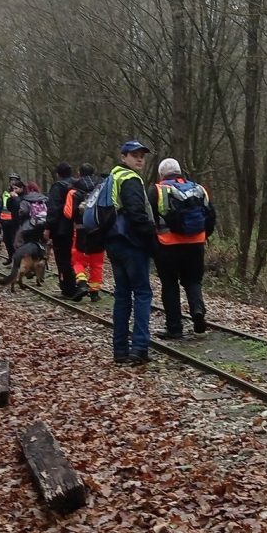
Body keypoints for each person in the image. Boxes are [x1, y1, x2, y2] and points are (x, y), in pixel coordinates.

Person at [104, 141, 157, 365]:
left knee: (122, 295)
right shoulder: (130, 179)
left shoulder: (111, 177)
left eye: (142, 156)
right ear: (123, 156)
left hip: (113, 242)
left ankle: (120, 350)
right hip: (131, 243)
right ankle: (139, 347)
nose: (139, 159)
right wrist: (152, 240)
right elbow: (136, 214)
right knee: (143, 294)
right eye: (134, 155)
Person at [151, 158, 215, 338]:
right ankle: (197, 311)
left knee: (170, 285)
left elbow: (149, 220)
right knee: (193, 281)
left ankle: (174, 328)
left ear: (161, 174)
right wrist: (201, 237)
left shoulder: (157, 190)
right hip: (195, 245)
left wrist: (152, 245)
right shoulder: (199, 189)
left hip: (167, 246)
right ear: (180, 172)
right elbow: (211, 217)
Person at [68, 163, 105, 302]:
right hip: (98, 230)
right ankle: (94, 292)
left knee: (78, 260)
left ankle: (82, 284)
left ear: (79, 173)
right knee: (97, 263)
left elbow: (69, 213)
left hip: (81, 230)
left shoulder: (74, 190)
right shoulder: (101, 188)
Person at [0, 181, 49, 285]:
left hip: (28, 227)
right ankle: (40, 276)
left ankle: (28, 270)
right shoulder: (44, 198)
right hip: (43, 227)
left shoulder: (26, 199)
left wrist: (16, 200)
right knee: (42, 251)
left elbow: (22, 212)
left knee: (21, 246)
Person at [45, 162, 77, 298]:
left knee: (63, 259)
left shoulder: (58, 187)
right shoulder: (78, 185)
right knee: (77, 258)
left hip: (62, 229)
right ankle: (81, 285)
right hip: (79, 227)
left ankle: (68, 289)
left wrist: (48, 228)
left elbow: (53, 210)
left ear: (58, 174)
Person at [0, 173, 22, 263]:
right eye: (11, 180)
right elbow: (2, 206)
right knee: (6, 240)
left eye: (14, 180)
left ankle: (17, 260)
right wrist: (0, 219)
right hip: (5, 220)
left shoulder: (19, 192)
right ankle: (10, 257)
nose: (12, 182)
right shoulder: (6, 193)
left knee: (14, 241)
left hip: (15, 221)